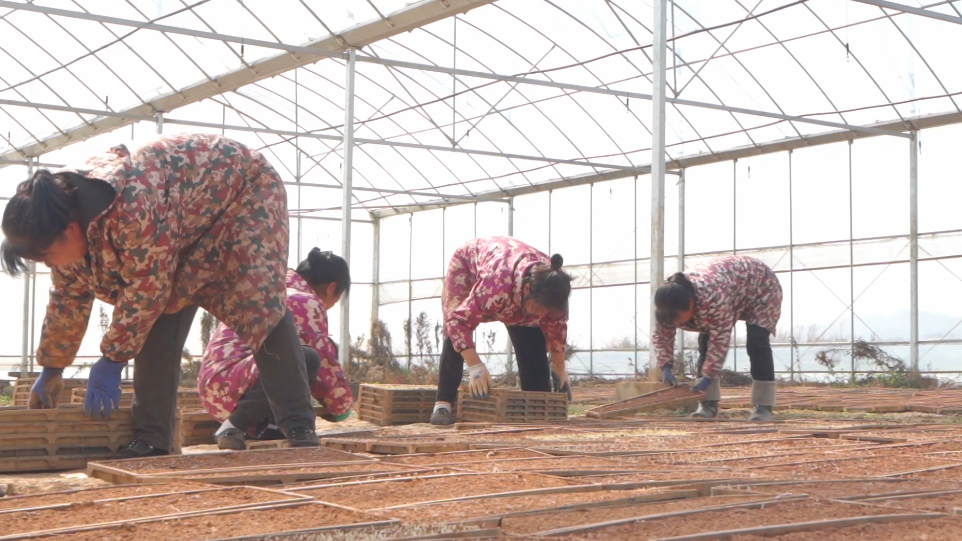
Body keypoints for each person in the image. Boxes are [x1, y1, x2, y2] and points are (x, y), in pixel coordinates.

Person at [1, 134, 320, 457]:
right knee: (160, 314)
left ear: (69, 230)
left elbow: (144, 291)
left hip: (242, 197)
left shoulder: (133, 203)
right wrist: (53, 367)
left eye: (47, 257)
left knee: (259, 303)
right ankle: (153, 439)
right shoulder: (60, 217)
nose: (49, 264)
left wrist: (113, 357)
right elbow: (68, 297)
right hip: (178, 223)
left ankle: (299, 426)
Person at [199, 248, 354, 450]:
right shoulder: (306, 301)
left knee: (292, 356)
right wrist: (341, 407)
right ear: (332, 288)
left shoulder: (273, 289)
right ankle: (234, 424)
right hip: (232, 382)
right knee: (307, 357)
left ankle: (268, 426)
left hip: (216, 385)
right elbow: (323, 364)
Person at [431, 236, 573, 426]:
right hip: (470, 269)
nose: (543, 315)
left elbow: (557, 329)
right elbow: (459, 321)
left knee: (532, 336)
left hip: (518, 295)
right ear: (528, 289)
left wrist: (559, 368)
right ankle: (443, 403)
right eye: (540, 309)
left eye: (547, 311)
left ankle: (535, 403)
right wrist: (475, 365)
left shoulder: (555, 288)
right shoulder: (496, 284)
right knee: (454, 331)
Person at [653, 255, 783, 421]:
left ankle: (763, 406)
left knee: (757, 342)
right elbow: (662, 336)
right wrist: (665, 366)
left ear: (692, 303)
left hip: (760, 287)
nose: (675, 322)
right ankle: (707, 404)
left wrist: (708, 377)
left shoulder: (712, 297)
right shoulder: (666, 304)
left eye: (678, 318)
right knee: (704, 344)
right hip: (731, 288)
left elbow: (719, 341)